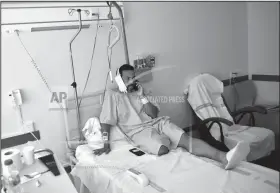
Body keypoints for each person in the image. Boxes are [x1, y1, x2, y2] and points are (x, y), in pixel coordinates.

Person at [94, 64, 250, 170]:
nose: (131, 81)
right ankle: (167, 141)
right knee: (162, 149)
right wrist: (105, 141)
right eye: (127, 78)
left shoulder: (141, 91)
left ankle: (224, 157)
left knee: (186, 139)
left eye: (133, 78)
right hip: (137, 131)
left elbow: (154, 114)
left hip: (157, 123)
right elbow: (106, 122)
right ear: (119, 79)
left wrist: (142, 97)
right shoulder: (112, 95)